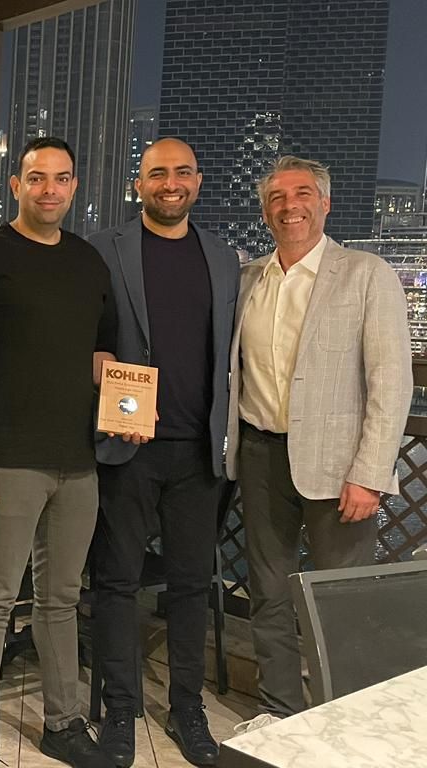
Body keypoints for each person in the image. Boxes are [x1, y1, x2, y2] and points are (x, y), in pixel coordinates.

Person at [226, 156, 412, 729]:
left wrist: (371, 471)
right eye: (277, 198)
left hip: (340, 469)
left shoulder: (364, 273)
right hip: (260, 455)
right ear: (265, 211)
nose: (290, 206)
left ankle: (346, 717)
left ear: (325, 203)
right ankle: (279, 709)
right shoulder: (248, 278)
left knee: (340, 596)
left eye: (302, 194)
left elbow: (392, 379)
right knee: (268, 591)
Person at [0, 137, 116, 768]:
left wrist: (121, 391)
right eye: (36, 178)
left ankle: (64, 723)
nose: (50, 189)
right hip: (6, 457)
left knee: (62, 599)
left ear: (75, 187)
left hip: (79, 460)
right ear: (15, 185)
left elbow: (104, 351)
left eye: (62, 179)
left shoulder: (88, 262)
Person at [87, 137, 240, 768]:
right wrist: (104, 377)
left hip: (199, 454)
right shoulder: (103, 250)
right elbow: (86, 338)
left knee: (189, 586)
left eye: (181, 173)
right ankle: (120, 711)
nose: (169, 183)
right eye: (157, 174)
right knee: (117, 582)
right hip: (127, 448)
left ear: (197, 183)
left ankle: (186, 709)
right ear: (138, 183)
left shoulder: (227, 258)